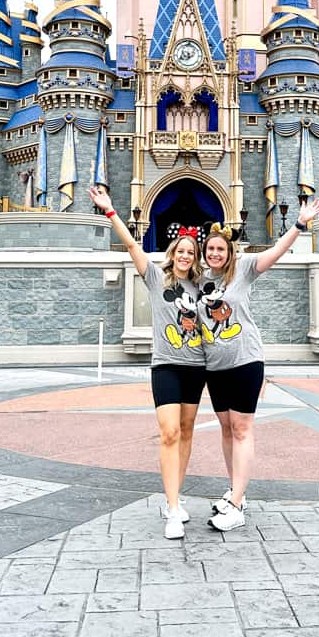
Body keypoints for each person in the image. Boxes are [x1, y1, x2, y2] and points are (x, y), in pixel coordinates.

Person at [199, 197, 319, 531]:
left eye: (220, 250)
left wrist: (299, 223)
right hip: (214, 367)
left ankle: (237, 504)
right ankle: (233, 489)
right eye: (210, 249)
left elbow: (277, 252)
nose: (215, 254)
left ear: (230, 252)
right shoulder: (198, 281)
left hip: (244, 361)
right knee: (226, 428)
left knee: (241, 428)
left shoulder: (244, 269)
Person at [88, 186, 205, 539]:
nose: (185, 256)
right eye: (180, 250)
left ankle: (177, 495)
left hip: (196, 367)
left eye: (190, 252)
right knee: (169, 432)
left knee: (186, 433)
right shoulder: (157, 278)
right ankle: (171, 508)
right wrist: (110, 211)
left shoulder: (203, 287)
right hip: (167, 365)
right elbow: (132, 246)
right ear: (172, 253)